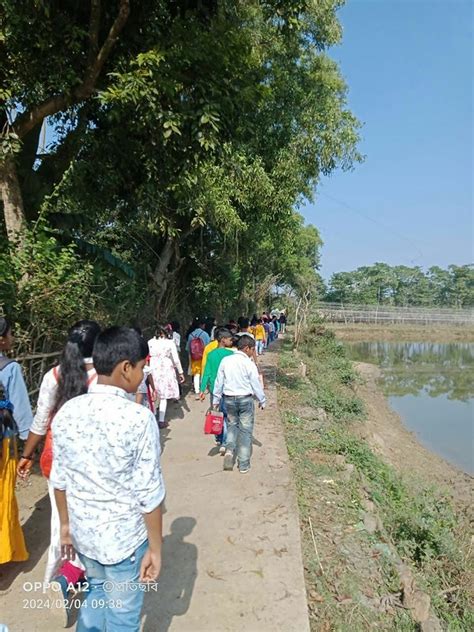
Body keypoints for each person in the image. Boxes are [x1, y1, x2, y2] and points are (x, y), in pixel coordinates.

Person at [50, 327, 165, 632]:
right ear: (126, 368)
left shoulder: (67, 411)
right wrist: (155, 549)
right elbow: (149, 494)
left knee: (96, 595)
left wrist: (65, 527)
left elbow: (59, 480)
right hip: (124, 542)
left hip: (84, 535)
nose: (142, 374)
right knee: (123, 618)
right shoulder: (138, 419)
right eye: (142, 367)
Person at [17, 320, 101, 626]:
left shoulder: (53, 375)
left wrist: (26, 455)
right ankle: (72, 578)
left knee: (60, 522)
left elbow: (40, 422)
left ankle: (57, 577)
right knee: (91, 523)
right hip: (94, 464)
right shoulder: (105, 377)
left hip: (56, 460)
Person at [0, 317, 33, 565]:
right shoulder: (10, 368)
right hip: (3, 444)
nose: (12, 339)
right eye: (10, 334)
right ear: (2, 339)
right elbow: (21, 409)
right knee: (2, 497)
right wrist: (27, 448)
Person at [213, 335, 266, 474]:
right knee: (246, 431)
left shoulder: (226, 360)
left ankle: (230, 451)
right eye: (252, 349)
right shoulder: (249, 364)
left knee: (231, 426)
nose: (252, 352)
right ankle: (243, 464)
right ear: (247, 348)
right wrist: (262, 400)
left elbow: (219, 382)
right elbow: (255, 384)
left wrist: (215, 400)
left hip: (228, 398)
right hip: (245, 399)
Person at [199, 329, 234, 454]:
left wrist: (202, 389)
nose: (231, 341)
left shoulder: (211, 354)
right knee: (226, 416)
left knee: (216, 413)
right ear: (223, 340)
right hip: (227, 388)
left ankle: (218, 438)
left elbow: (207, 373)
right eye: (230, 339)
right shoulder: (230, 354)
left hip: (214, 388)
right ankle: (224, 442)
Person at [148, 326, 185, 429]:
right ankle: (161, 420)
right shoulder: (169, 342)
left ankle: (153, 416)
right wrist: (180, 372)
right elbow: (176, 359)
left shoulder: (150, 342)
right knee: (163, 396)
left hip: (153, 367)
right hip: (166, 368)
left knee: (154, 393)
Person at [186, 319, 210, 397]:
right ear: (202, 325)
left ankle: (196, 390)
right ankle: (203, 389)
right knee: (204, 372)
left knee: (196, 373)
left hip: (194, 357)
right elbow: (208, 346)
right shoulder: (205, 334)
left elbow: (188, 348)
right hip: (204, 355)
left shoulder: (191, 335)